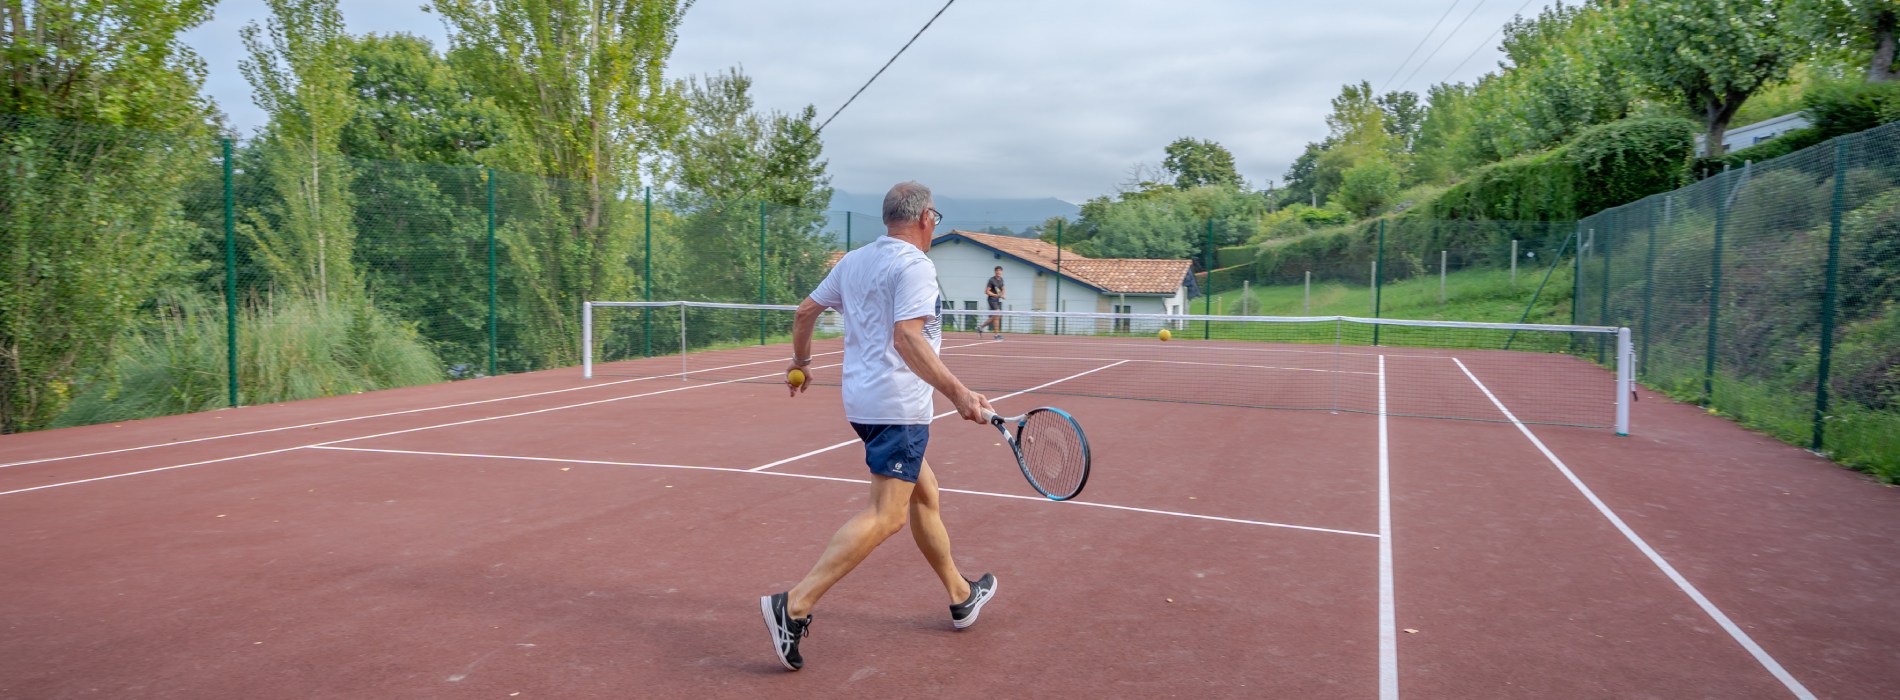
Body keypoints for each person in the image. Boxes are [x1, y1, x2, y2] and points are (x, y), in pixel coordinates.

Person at [761, 181, 1001, 672]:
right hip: (897, 409)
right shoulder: (915, 266)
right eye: (935, 217)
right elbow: (908, 338)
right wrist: (958, 394)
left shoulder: (854, 260)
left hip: (863, 406)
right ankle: (795, 605)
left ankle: (960, 595)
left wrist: (801, 363)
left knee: (925, 493)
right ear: (927, 218)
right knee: (887, 515)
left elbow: (806, 310)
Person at [982, 265, 1006, 339]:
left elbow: (1003, 288)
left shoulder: (1001, 280)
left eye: (1000, 271)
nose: (998, 272)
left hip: (997, 300)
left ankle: (980, 327)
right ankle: (996, 335)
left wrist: (1003, 295)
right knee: (997, 314)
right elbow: (986, 291)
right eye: (997, 271)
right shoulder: (991, 280)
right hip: (991, 299)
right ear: (995, 272)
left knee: (996, 316)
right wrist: (995, 295)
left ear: (1002, 272)